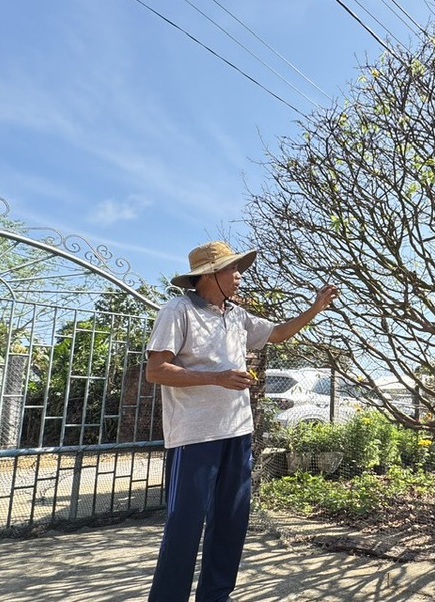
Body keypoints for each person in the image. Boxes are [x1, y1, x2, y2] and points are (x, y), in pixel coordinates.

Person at [145, 240, 338, 602]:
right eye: (233, 269)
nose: (239, 276)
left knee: (231, 523)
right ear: (209, 275)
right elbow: (156, 371)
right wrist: (217, 378)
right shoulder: (177, 310)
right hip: (194, 438)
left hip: (238, 433)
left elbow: (277, 334)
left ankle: (216, 597)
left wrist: (316, 307)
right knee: (184, 528)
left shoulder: (237, 315)